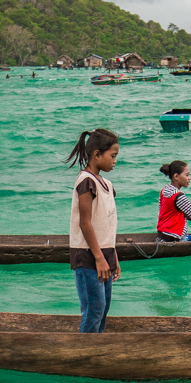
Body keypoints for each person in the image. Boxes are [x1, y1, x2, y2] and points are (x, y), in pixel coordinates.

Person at [66, 129, 120, 333]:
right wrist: (99, 258)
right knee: (94, 308)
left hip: (104, 254)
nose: (115, 161)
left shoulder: (106, 184)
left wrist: (113, 257)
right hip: (88, 256)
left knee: (103, 307)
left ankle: (95, 348)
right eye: (112, 156)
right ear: (97, 154)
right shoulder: (86, 181)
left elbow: (107, 225)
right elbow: (85, 223)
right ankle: (84, 351)